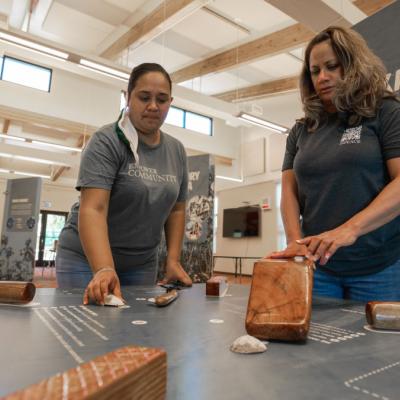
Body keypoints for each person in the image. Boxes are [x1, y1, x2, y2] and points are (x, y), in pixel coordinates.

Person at [269, 26, 400, 301]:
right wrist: (294, 240)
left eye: (332, 67)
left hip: (379, 269)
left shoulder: (386, 112)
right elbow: (289, 193)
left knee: (376, 345)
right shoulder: (301, 130)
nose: (323, 77)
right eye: (315, 71)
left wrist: (348, 231)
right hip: (317, 268)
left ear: (353, 66)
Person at [56, 63, 192, 304]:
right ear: (127, 97)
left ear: (170, 102)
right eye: (144, 97)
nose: (153, 106)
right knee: (89, 332)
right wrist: (104, 268)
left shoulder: (177, 150)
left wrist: (172, 260)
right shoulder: (106, 142)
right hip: (86, 259)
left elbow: (177, 209)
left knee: (134, 331)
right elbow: (93, 208)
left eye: (161, 99)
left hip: (141, 263)